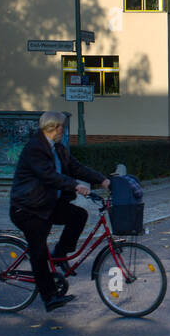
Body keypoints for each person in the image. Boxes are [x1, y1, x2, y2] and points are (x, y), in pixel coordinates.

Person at [9, 112, 109, 312]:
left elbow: (76, 167)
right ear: (52, 127)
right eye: (61, 127)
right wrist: (75, 186)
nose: (63, 131)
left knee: (78, 215)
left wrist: (102, 180)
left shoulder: (58, 148)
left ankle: (60, 252)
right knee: (38, 251)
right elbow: (49, 176)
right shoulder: (35, 149)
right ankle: (49, 297)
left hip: (46, 205)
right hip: (28, 208)